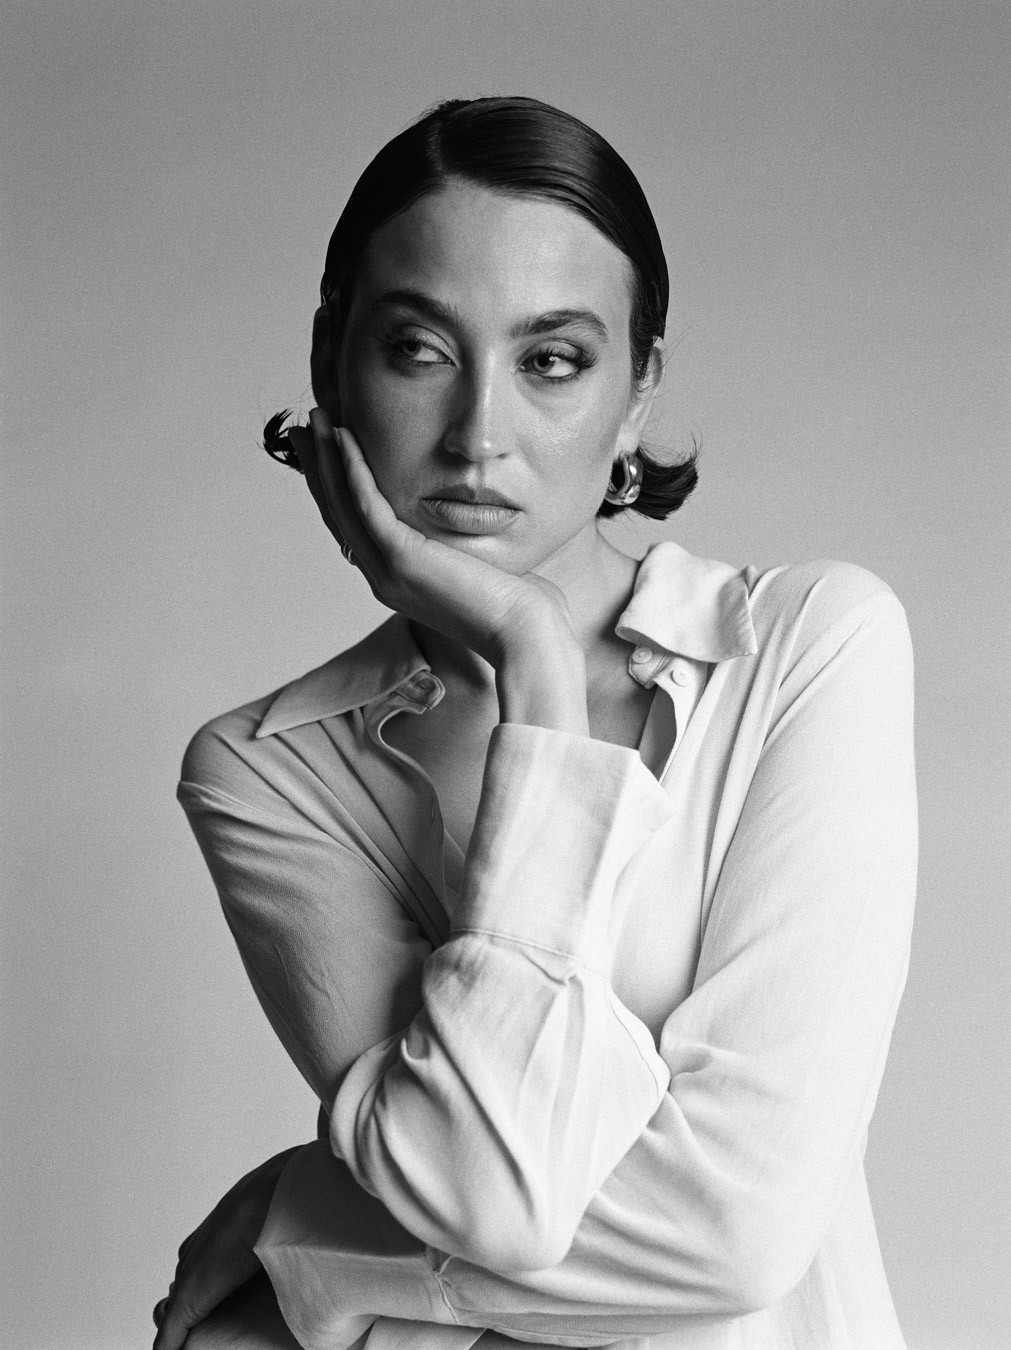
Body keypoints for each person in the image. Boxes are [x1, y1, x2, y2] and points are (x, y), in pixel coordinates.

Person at [154, 96, 917, 1350]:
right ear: (332, 358)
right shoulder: (268, 770)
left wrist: (309, 1217)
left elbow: (741, 1232)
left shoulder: (806, 648)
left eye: (551, 360)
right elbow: (490, 1197)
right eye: (418, 349)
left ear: (637, 392)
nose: (478, 437)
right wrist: (538, 667)